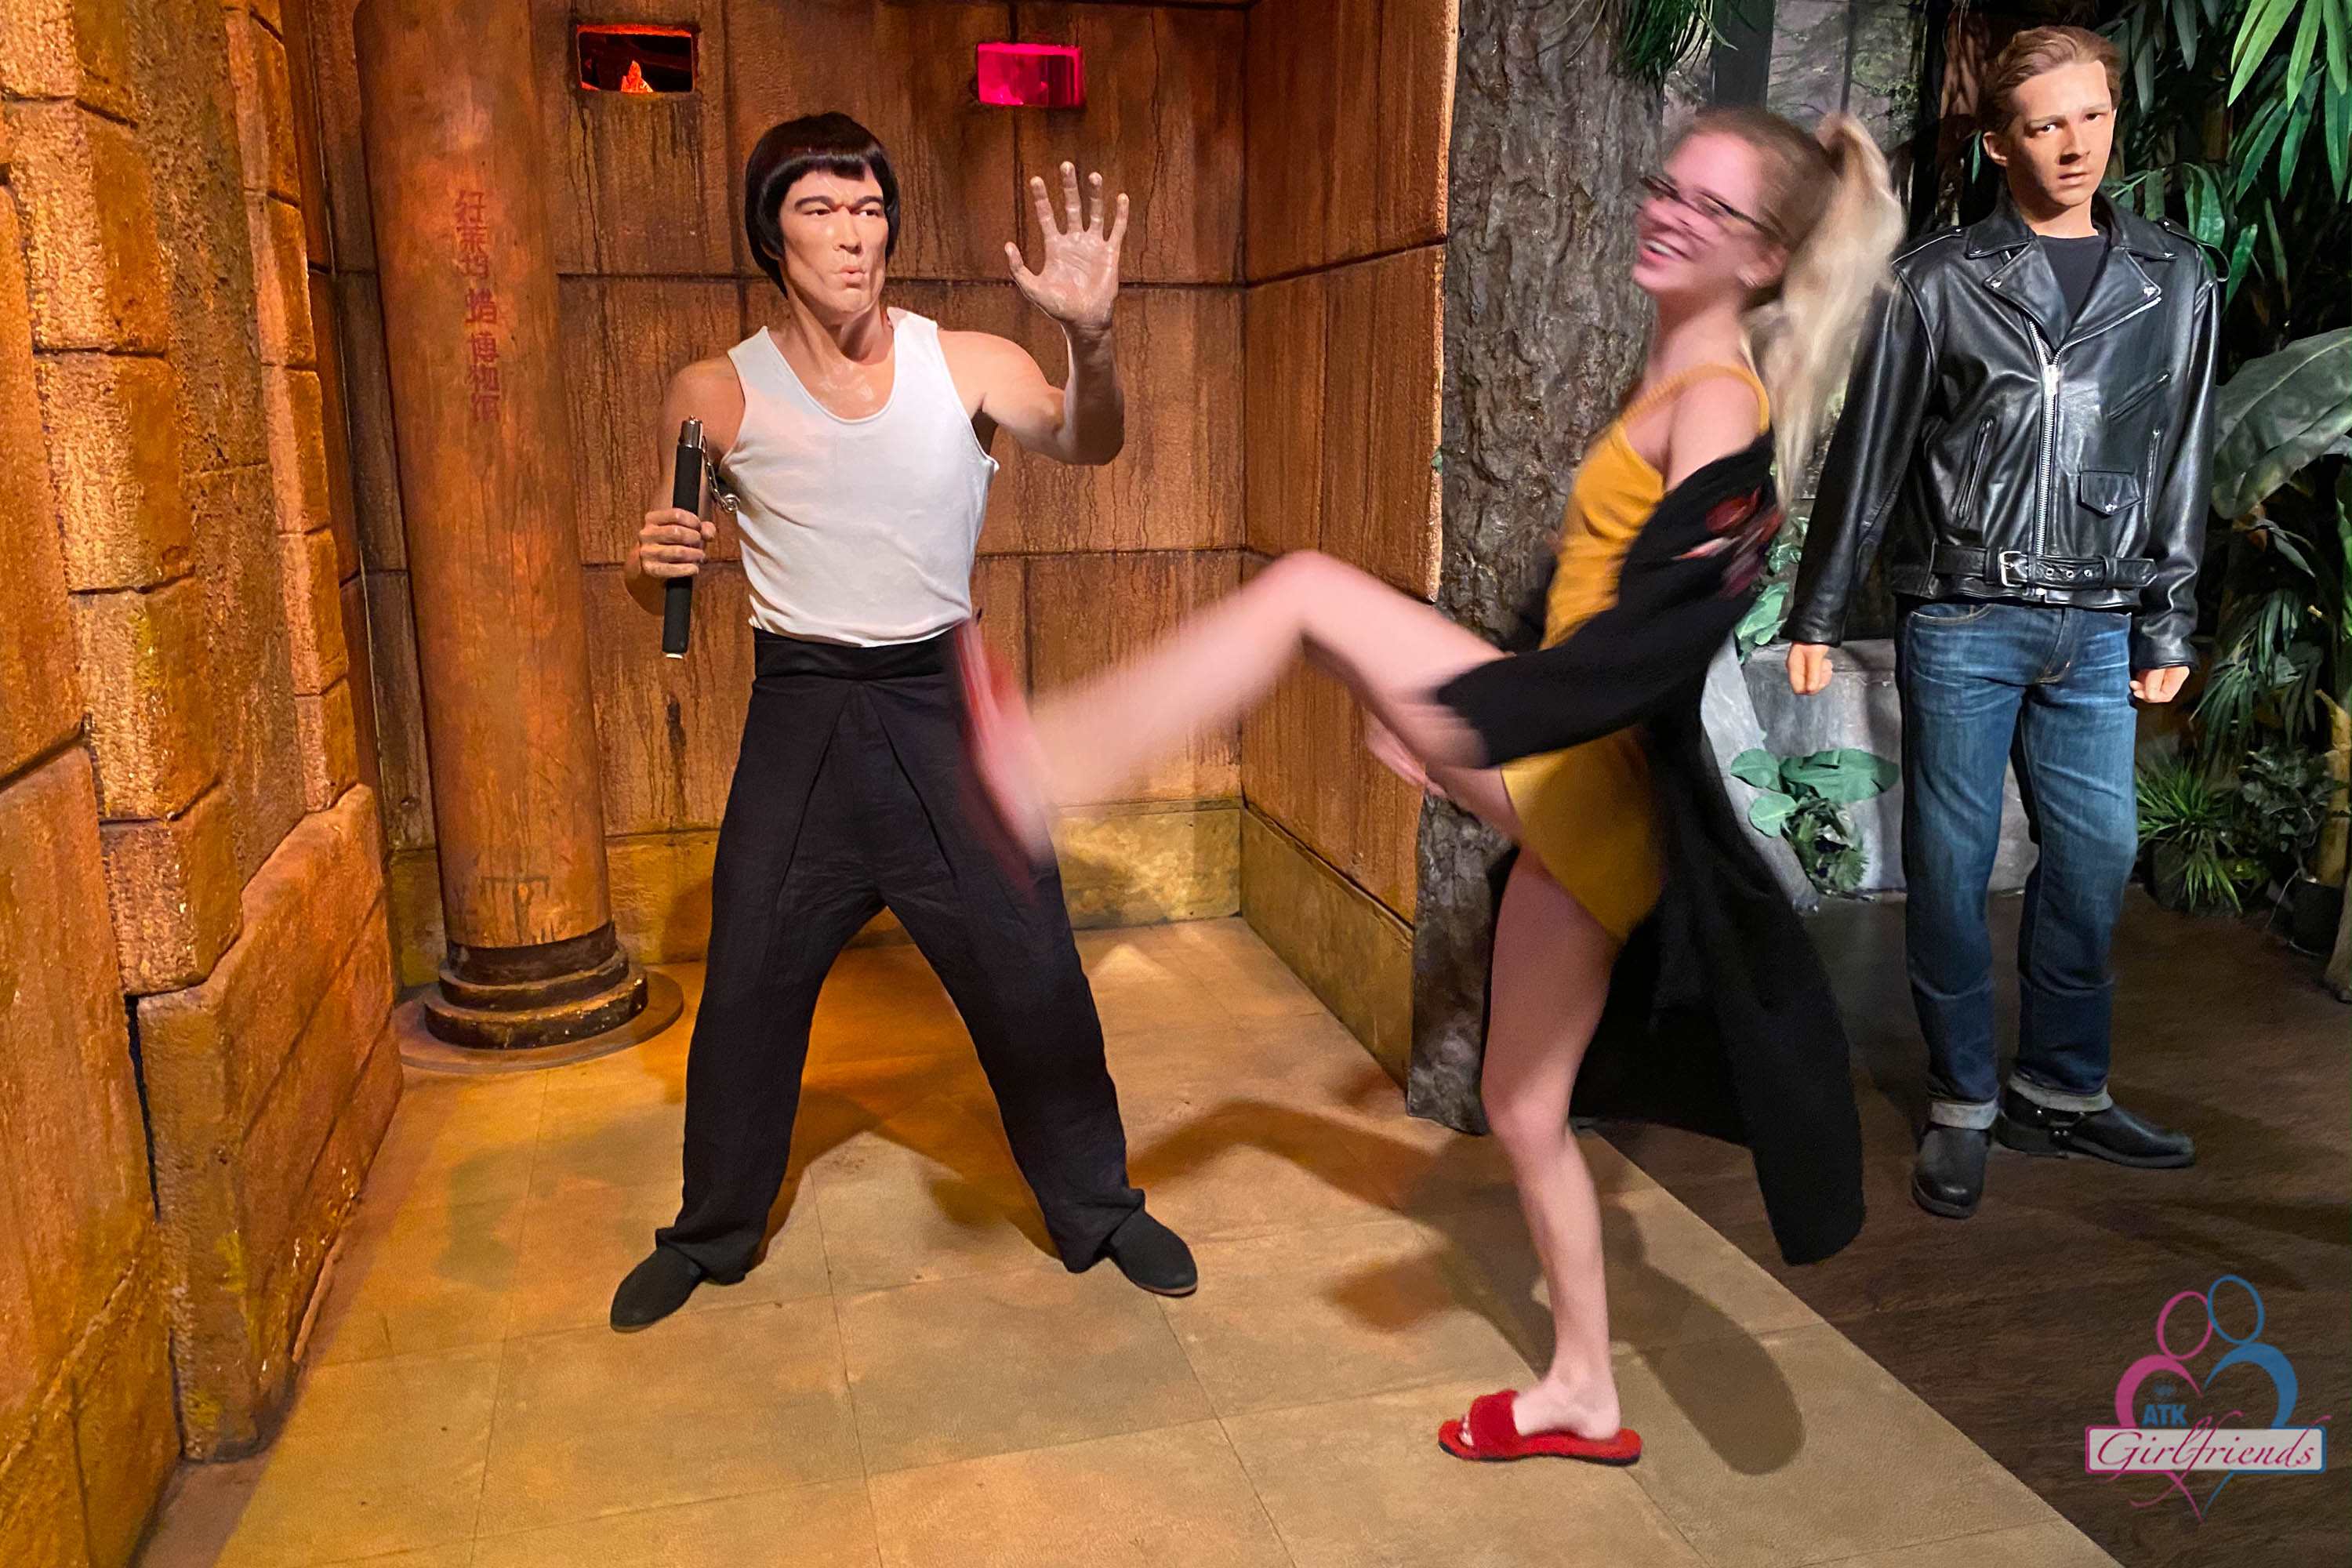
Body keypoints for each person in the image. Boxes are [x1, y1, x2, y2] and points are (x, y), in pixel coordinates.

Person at [963, 109, 1903, 1462]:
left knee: (1305, 590)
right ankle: (1585, 1390)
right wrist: (1464, 721)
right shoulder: (1676, 377)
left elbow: (1673, 623)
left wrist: (1483, 716)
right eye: (1667, 187)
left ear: (1763, 261)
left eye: (1713, 210)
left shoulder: (1719, 401)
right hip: (1583, 799)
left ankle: (1041, 767)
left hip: (1587, 774)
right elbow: (1593, 607)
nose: (1669, 214)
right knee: (1523, 1108)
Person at [608, 113, 1196, 1332]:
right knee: (748, 984)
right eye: (820, 210)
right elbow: (660, 553)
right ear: (771, 235)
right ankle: (711, 1232)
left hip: (941, 703)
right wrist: (641, 561)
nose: (852, 235)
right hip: (802, 714)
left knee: (1032, 965)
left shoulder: (966, 361)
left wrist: (1092, 340)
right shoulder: (716, 390)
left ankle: (1098, 1208)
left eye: (870, 209)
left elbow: (1090, 439)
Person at [1784, 26, 2216, 1221]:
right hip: (1965, 613)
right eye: (2045, 123)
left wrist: (2170, 620)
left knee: (2095, 858)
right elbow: (1869, 453)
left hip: (2099, 619)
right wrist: (1818, 608)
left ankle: (2061, 1090)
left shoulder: (2176, 279)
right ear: (1998, 144)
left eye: (2092, 115)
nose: (2075, 143)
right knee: (1950, 865)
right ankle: (1964, 1100)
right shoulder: (1936, 281)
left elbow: (2181, 455)